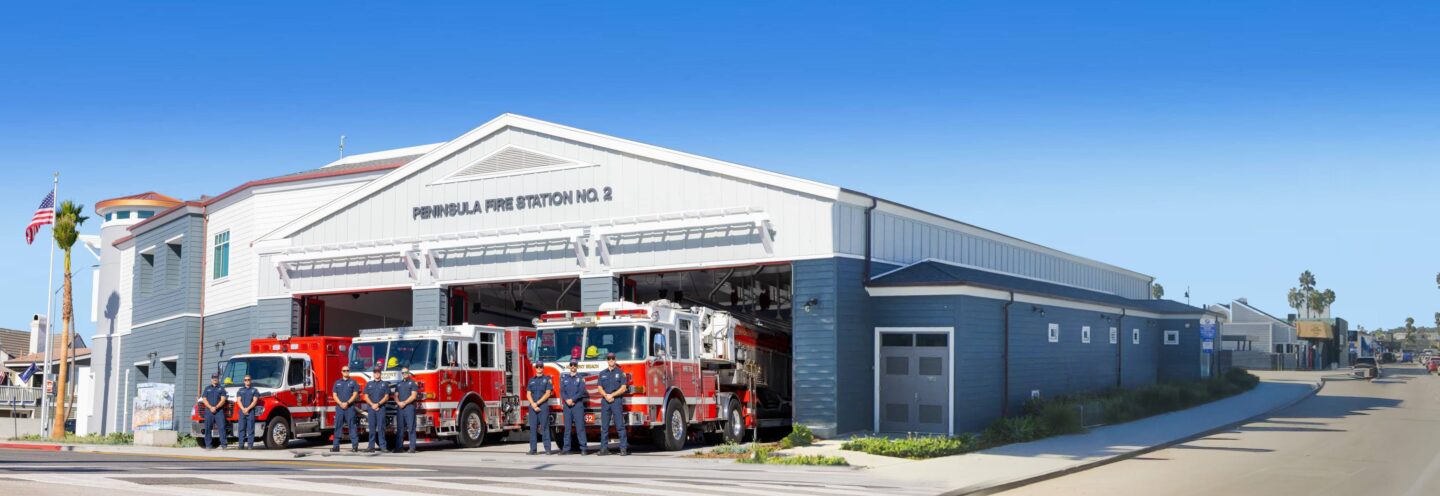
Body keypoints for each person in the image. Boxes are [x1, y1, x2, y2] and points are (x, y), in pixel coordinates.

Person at [596, 352, 629, 456]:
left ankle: (623, 449)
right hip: (605, 401)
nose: (611, 360)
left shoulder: (620, 373)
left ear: (615, 360)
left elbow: (623, 388)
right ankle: (604, 449)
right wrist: (606, 396)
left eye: (613, 358)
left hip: (616, 401)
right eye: (609, 358)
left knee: (620, 426)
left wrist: (612, 395)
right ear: (607, 360)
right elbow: (599, 387)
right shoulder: (602, 373)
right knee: (604, 427)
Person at [559, 359, 589, 455]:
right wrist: (567, 400)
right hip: (567, 406)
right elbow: (562, 391)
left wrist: (572, 400)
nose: (573, 366)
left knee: (580, 427)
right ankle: (566, 449)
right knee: (567, 428)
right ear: (569, 366)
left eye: (574, 365)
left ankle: (583, 448)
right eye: (571, 365)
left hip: (577, 405)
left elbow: (581, 391)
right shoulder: (565, 378)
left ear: (577, 367)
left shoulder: (580, 378)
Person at [526, 361, 554, 455]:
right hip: (533, 407)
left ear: (543, 368)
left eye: (540, 367)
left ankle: (548, 449)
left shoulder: (547, 379)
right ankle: (533, 450)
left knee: (545, 428)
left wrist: (537, 403)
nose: (539, 368)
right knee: (533, 428)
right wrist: (533, 404)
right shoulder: (531, 380)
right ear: (535, 368)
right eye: (537, 367)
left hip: (543, 406)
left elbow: (547, 393)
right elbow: (528, 394)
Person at [331, 366, 360, 453]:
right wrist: (340, 403)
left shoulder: (353, 382)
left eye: (347, 370)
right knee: (338, 426)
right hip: (339, 408)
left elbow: (355, 394)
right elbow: (334, 395)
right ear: (341, 372)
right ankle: (336, 446)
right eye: (344, 371)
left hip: (350, 408)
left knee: (352, 427)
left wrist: (347, 403)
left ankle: (355, 446)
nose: (346, 372)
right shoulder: (337, 383)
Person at [362, 364, 390, 453]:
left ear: (380, 374)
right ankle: (371, 447)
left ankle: (383, 447)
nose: (376, 374)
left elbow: (386, 397)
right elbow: (366, 396)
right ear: (373, 374)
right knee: (371, 428)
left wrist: (378, 404)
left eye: (378, 372)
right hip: (371, 409)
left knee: (381, 428)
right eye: (375, 372)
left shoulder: (384, 384)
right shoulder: (369, 384)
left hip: (381, 408)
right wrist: (373, 405)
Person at [394, 367, 420, 454]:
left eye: (405, 372)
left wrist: (404, 403)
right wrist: (398, 403)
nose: (404, 374)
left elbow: (413, 396)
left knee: (411, 428)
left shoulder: (413, 383)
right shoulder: (399, 384)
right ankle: (399, 447)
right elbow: (396, 395)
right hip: (400, 408)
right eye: (402, 373)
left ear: (408, 373)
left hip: (409, 407)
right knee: (400, 428)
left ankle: (412, 447)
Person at [200, 374, 229, 450]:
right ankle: (208, 445)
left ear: (218, 379)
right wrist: (210, 407)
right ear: (211, 379)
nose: (215, 379)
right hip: (208, 411)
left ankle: (224, 445)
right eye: (213, 378)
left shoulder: (221, 389)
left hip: (219, 411)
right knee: (207, 427)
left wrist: (215, 407)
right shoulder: (207, 388)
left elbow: (223, 400)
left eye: (216, 378)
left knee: (222, 427)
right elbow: (204, 399)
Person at [236, 375, 260, 449]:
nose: (247, 381)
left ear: (251, 380)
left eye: (248, 379)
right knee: (241, 428)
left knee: (250, 428)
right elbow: (238, 400)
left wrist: (248, 409)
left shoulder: (254, 390)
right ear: (244, 381)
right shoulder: (240, 390)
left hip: (251, 411)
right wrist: (243, 409)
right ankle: (241, 445)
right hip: (242, 411)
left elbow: (255, 401)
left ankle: (250, 445)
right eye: (246, 380)